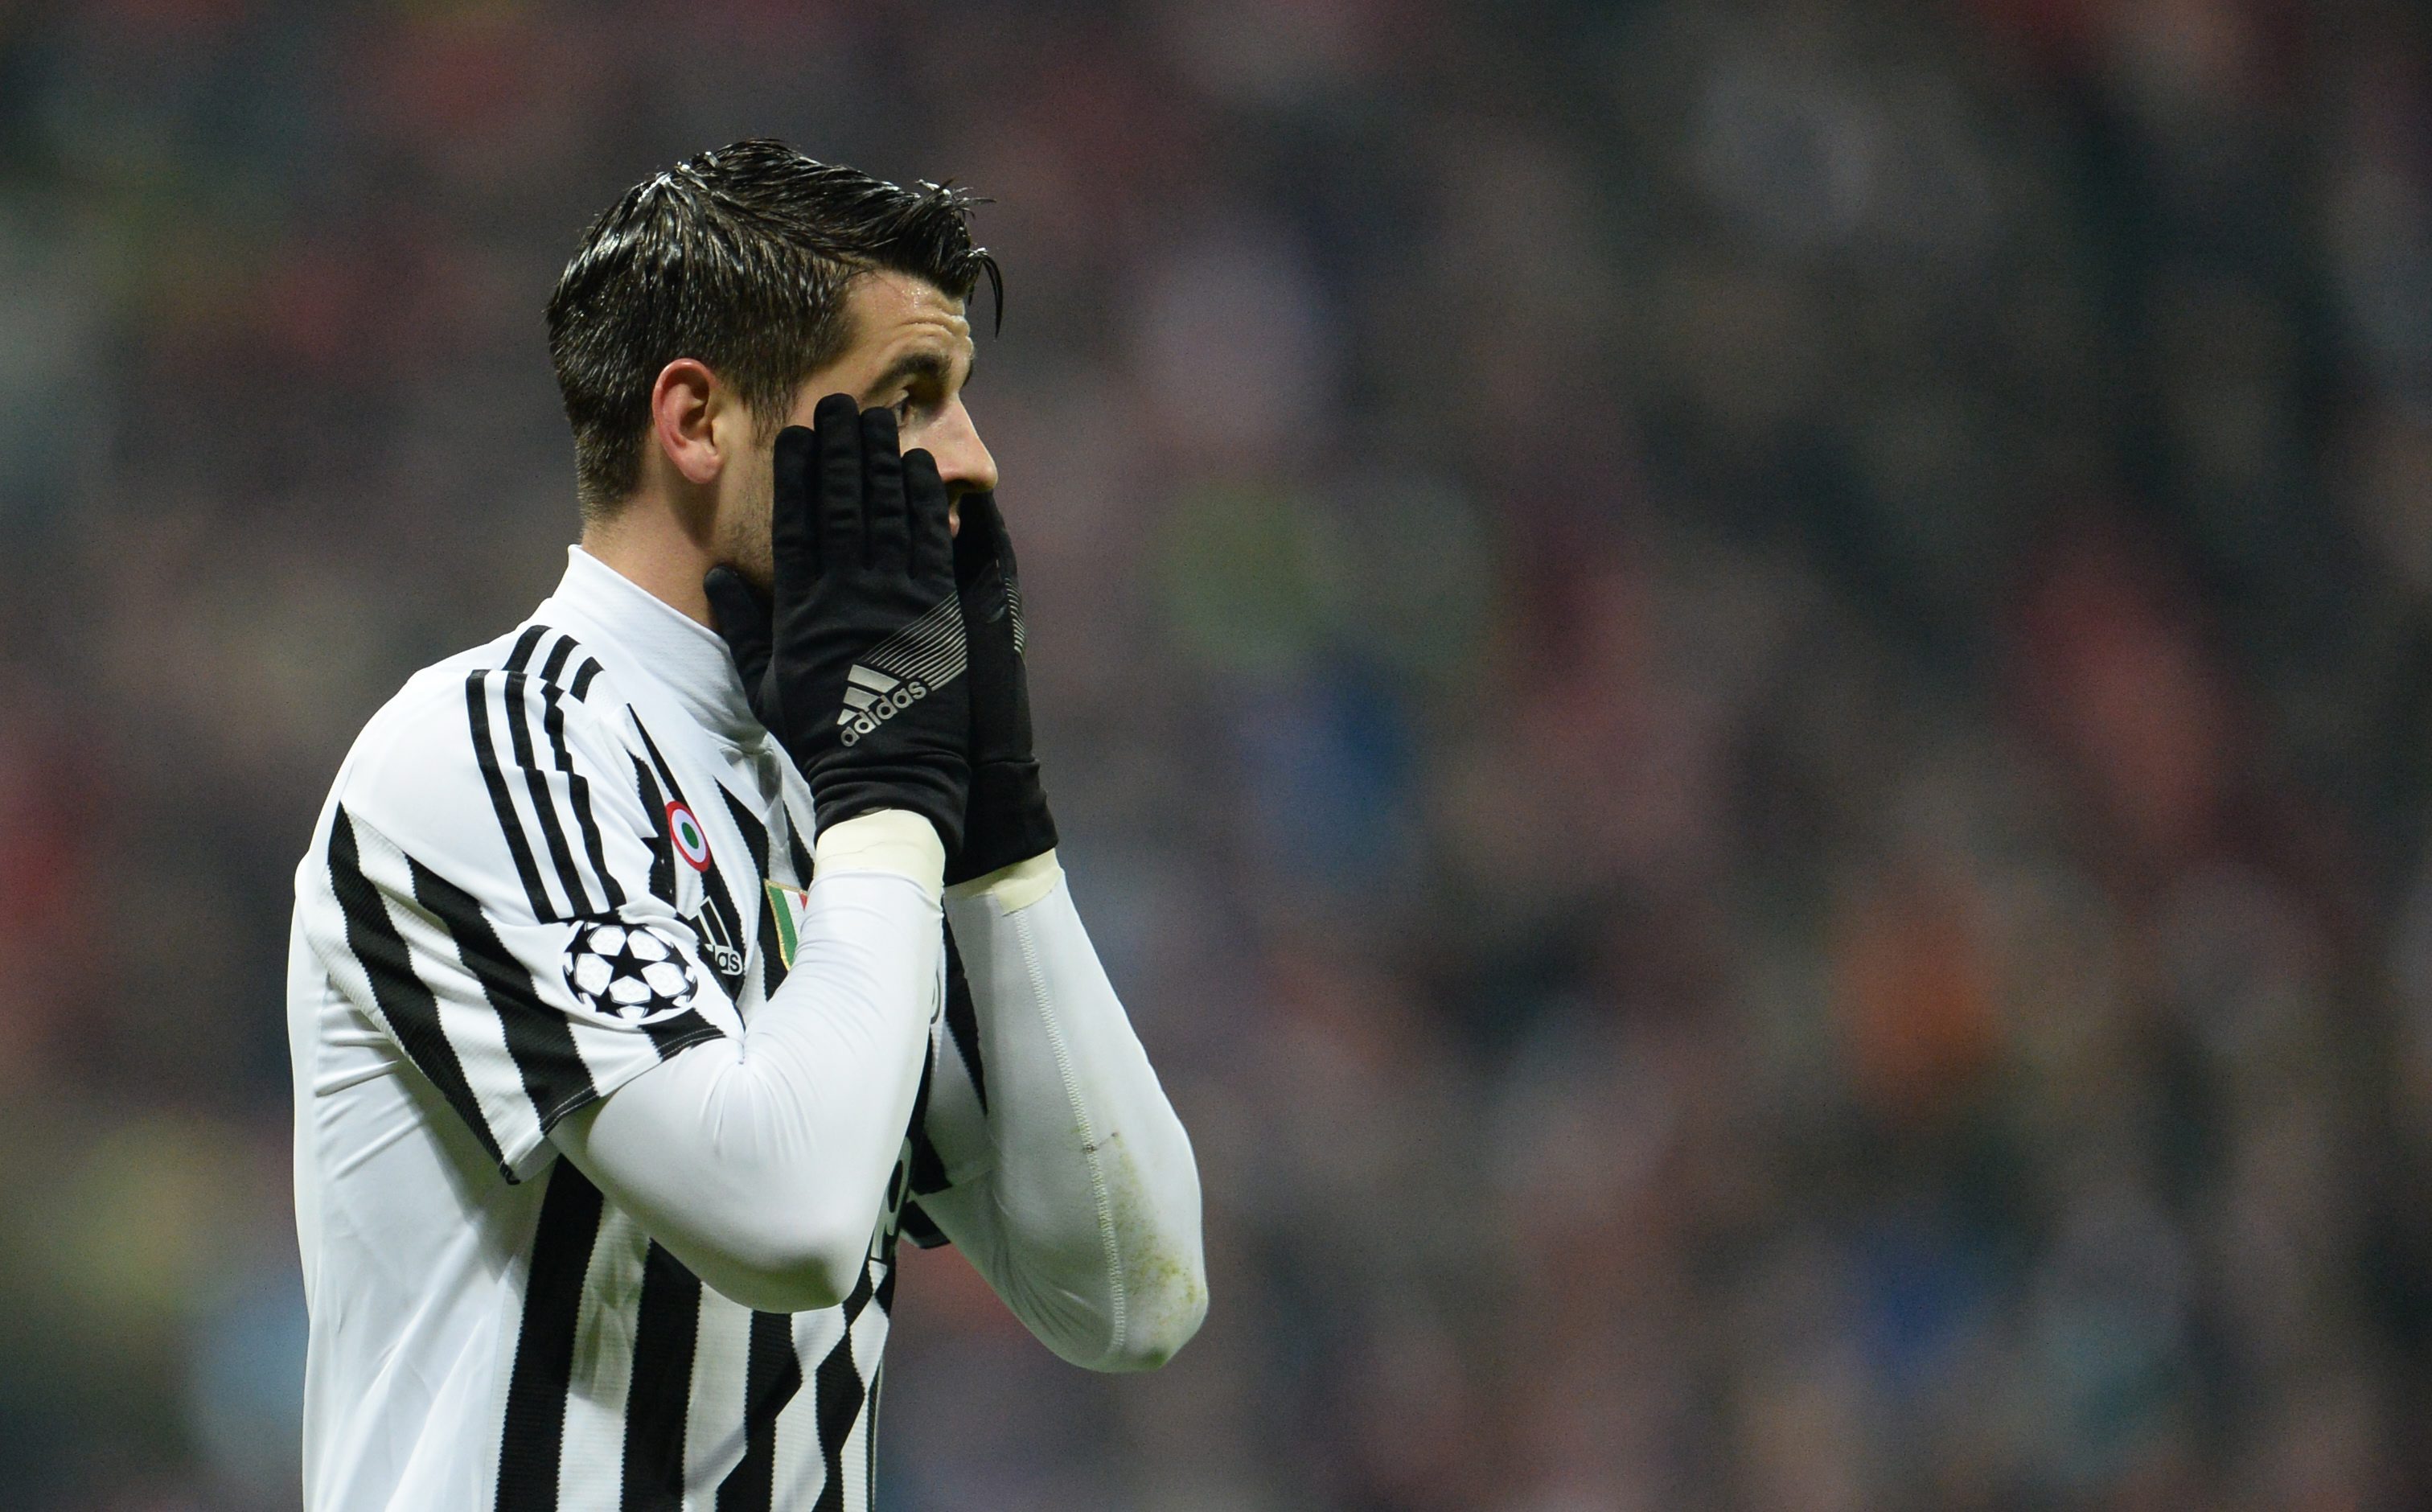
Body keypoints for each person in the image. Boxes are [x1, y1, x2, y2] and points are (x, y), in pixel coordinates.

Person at [283, 139, 1206, 1511]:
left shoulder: (818, 802)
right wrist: (894, 802)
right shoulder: (489, 752)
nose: (973, 460)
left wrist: (1000, 837)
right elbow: (790, 1224)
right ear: (698, 421)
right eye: (912, 398)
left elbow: (1132, 1297)